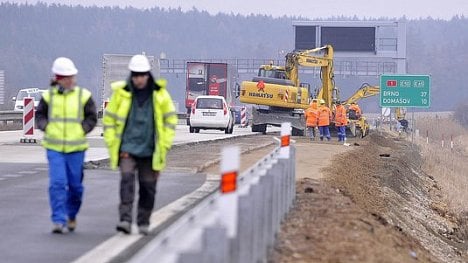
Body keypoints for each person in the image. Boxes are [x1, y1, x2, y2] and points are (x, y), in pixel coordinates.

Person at [103, 54, 178, 235]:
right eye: (136, 75)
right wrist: (114, 143)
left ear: (148, 75)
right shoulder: (121, 94)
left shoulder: (160, 95)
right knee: (127, 182)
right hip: (127, 149)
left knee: (148, 187)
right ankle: (125, 220)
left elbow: (170, 122)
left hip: (150, 151)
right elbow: (109, 121)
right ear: (132, 75)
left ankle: (143, 220)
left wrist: (165, 145)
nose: (139, 78)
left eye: (142, 74)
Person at [36, 57, 97, 234]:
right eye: (66, 77)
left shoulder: (83, 96)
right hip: (54, 148)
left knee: (76, 187)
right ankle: (58, 220)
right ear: (57, 78)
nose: (70, 80)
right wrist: (45, 126)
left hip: (76, 149)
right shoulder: (48, 97)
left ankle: (71, 215)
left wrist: (82, 129)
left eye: (72, 76)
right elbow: (39, 116)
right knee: (57, 183)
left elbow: (91, 117)